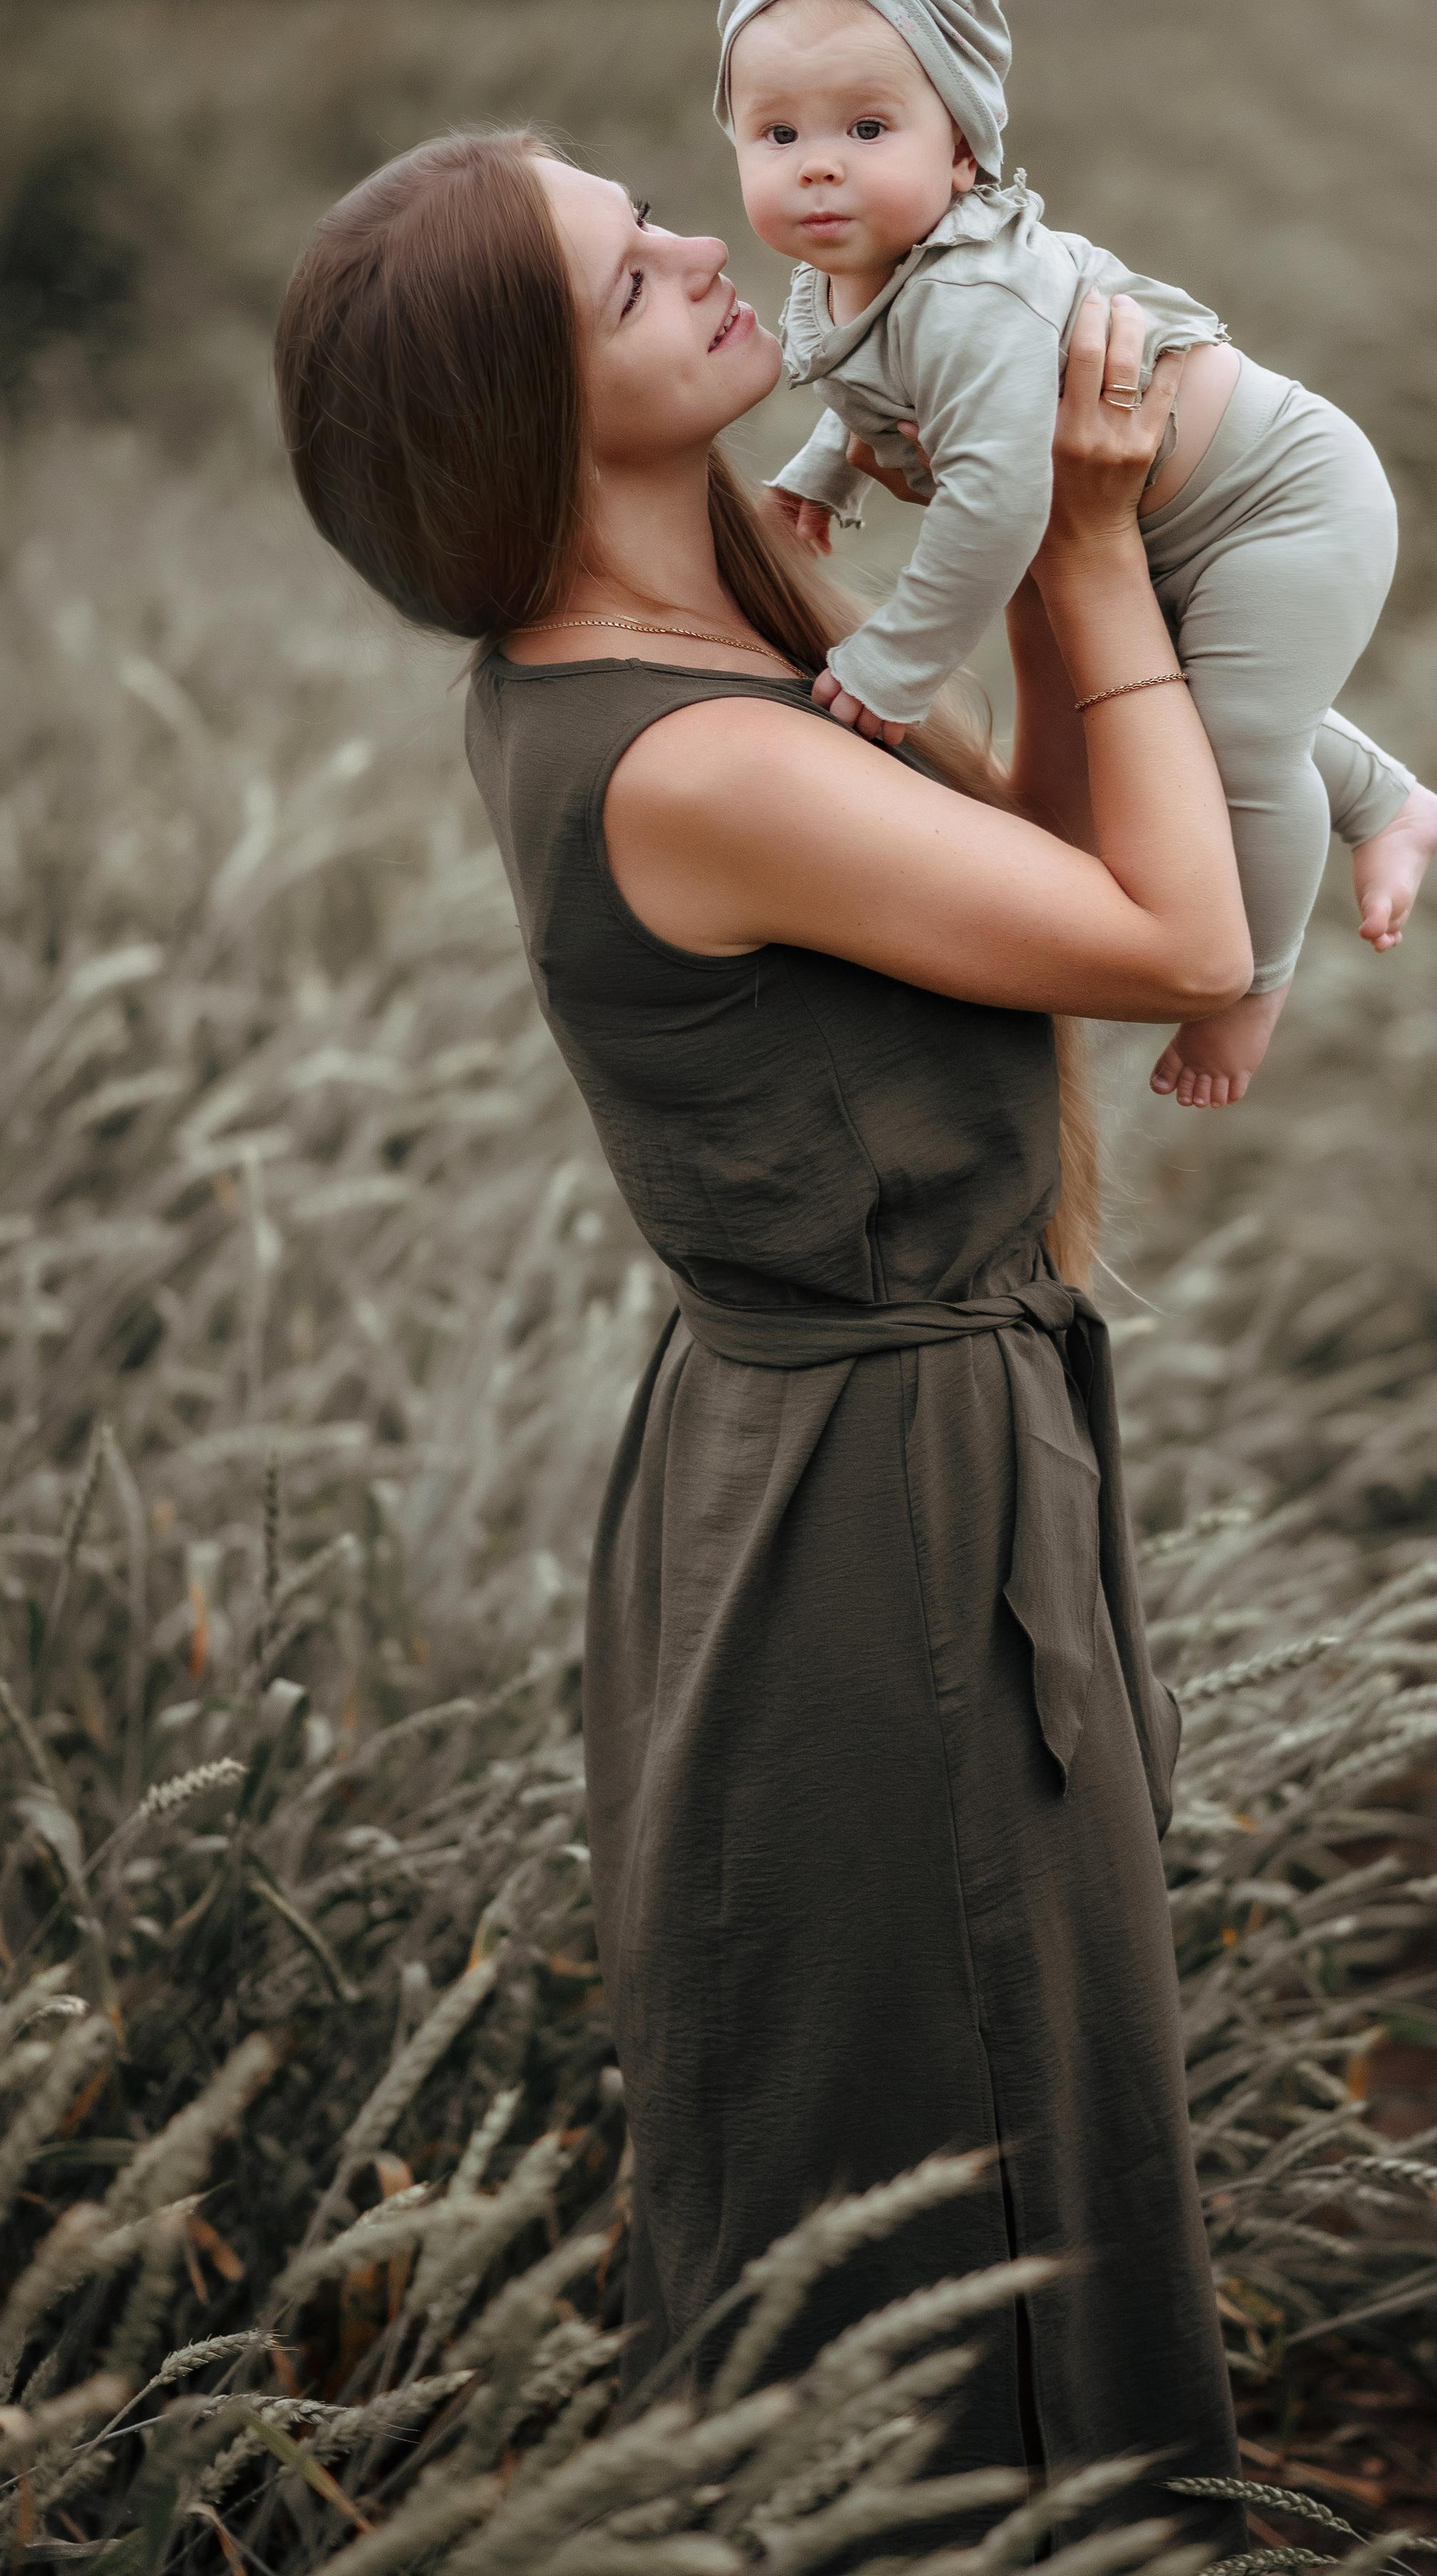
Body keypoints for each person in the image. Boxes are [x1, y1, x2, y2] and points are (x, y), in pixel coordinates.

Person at [274, 127, 1248, 2556]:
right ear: (534, 405)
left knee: (988, 2125)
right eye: (631, 272)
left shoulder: (706, 642)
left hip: (876, 1463)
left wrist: (1010, 540)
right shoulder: (690, 757)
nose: (710, 241)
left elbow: (1028, 889)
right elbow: (1171, 947)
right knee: (942, 2179)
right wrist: (1096, 553)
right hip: (875, 1531)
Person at [716, 0, 1437, 1108]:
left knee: (1239, 746)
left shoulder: (971, 293)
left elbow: (1001, 504)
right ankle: (1389, 802)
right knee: (1213, 712)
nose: (817, 163)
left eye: (866, 128)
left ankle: (1252, 986)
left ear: (963, 156)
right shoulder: (848, 273)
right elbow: (878, 390)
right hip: (1177, 510)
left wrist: (900, 658)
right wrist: (829, 467)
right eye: (777, 132)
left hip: (1283, 503)